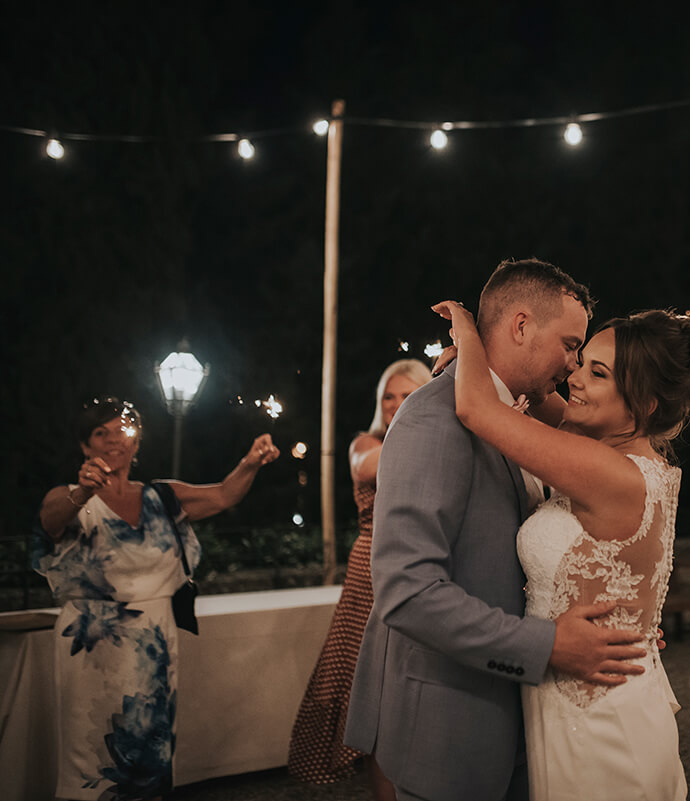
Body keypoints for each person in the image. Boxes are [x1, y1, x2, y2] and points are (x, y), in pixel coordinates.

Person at [344, 259, 651, 801]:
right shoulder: (434, 417)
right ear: (521, 325)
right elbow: (408, 592)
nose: (573, 364)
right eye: (570, 344)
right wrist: (548, 644)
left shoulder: (515, 417)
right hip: (451, 726)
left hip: (521, 720)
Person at [433, 297, 690, 801]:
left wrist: (469, 330)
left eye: (597, 373)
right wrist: (487, 363)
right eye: (579, 360)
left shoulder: (607, 472)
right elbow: (524, 395)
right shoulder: (625, 459)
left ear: (644, 404)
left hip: (598, 724)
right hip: (587, 702)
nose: (574, 377)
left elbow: (476, 407)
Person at [33, 396, 279, 801]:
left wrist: (251, 461)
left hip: (156, 644)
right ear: (85, 446)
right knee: (92, 757)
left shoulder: (161, 497)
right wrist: (83, 493)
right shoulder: (70, 496)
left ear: (137, 442)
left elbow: (222, 495)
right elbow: (50, 520)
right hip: (94, 650)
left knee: (152, 754)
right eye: (101, 432)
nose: (114, 439)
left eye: (123, 430)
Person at [288, 359, 432, 798]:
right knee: (374, 696)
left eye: (408, 395)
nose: (395, 404)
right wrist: (440, 424)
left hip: (423, 567)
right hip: (369, 573)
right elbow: (365, 468)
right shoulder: (367, 443)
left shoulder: (429, 441)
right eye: (389, 396)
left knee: (413, 696)